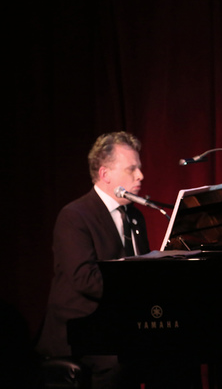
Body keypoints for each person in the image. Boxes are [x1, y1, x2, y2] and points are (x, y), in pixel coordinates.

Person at [36, 132, 150, 388]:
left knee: (173, 353)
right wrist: (136, 293)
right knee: (120, 360)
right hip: (80, 329)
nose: (140, 176)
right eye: (132, 169)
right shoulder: (74, 216)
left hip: (119, 323)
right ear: (105, 175)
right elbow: (84, 279)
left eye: (139, 169)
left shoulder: (135, 216)